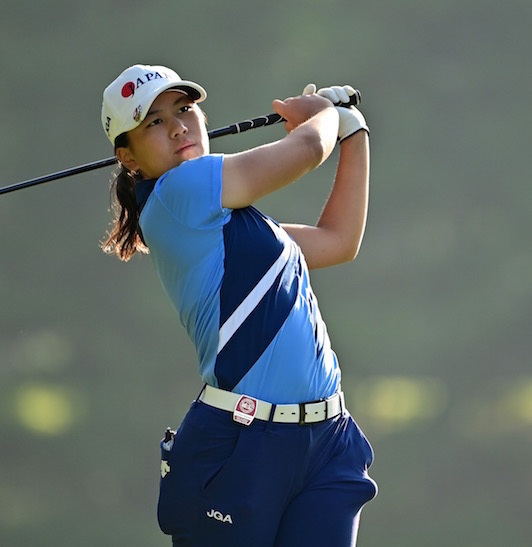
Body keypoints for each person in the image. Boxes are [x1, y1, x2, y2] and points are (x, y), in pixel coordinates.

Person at [100, 64, 377, 546]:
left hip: (327, 439)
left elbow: (339, 241)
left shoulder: (242, 226)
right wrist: (323, 114)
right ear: (129, 158)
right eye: (155, 122)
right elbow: (307, 149)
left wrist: (354, 134)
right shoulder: (177, 195)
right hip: (242, 444)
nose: (178, 127)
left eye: (184, 109)